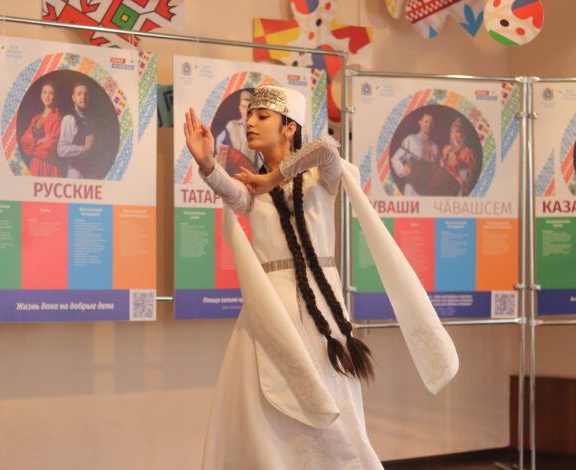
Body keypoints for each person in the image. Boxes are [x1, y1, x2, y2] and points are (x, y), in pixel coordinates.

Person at [184, 85, 458, 469]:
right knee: (265, 414)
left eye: (262, 116)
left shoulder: (320, 178)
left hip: (323, 315)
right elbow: (230, 192)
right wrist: (207, 163)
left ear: (289, 128)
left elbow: (329, 148)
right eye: (249, 116)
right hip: (270, 315)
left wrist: (275, 176)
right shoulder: (252, 188)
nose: (250, 122)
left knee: (335, 408)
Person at [19, 81, 62, 177]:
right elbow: (24, 142)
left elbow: (49, 148)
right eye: (44, 92)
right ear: (41, 95)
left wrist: (33, 145)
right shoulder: (36, 119)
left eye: (51, 93)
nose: (47, 96)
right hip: (35, 164)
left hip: (50, 166)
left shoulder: (58, 119)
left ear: (55, 96)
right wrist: (39, 141)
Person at [390, 112, 439, 195]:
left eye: (431, 123)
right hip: (412, 190)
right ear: (420, 123)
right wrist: (403, 170)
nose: (428, 125)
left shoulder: (435, 147)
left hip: (428, 191)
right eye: (426, 122)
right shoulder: (410, 139)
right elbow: (395, 158)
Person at [215, 90, 261, 175]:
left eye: (249, 108)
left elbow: (260, 157)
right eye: (243, 107)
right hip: (231, 172)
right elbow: (219, 143)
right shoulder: (231, 125)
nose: (246, 111)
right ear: (239, 108)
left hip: (249, 173)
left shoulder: (258, 129)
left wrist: (257, 174)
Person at [57, 82, 97, 179]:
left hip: (90, 173)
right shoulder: (69, 119)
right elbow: (61, 150)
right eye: (79, 94)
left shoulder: (91, 118)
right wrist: (83, 148)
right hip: (76, 174)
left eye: (86, 94)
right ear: (73, 98)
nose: (83, 97)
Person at [440, 118, 476, 196]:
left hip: (457, 186)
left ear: (462, 134)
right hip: (443, 182)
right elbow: (441, 166)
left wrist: (460, 164)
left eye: (457, 132)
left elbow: (468, 177)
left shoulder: (467, 152)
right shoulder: (446, 149)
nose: (454, 135)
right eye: (452, 132)